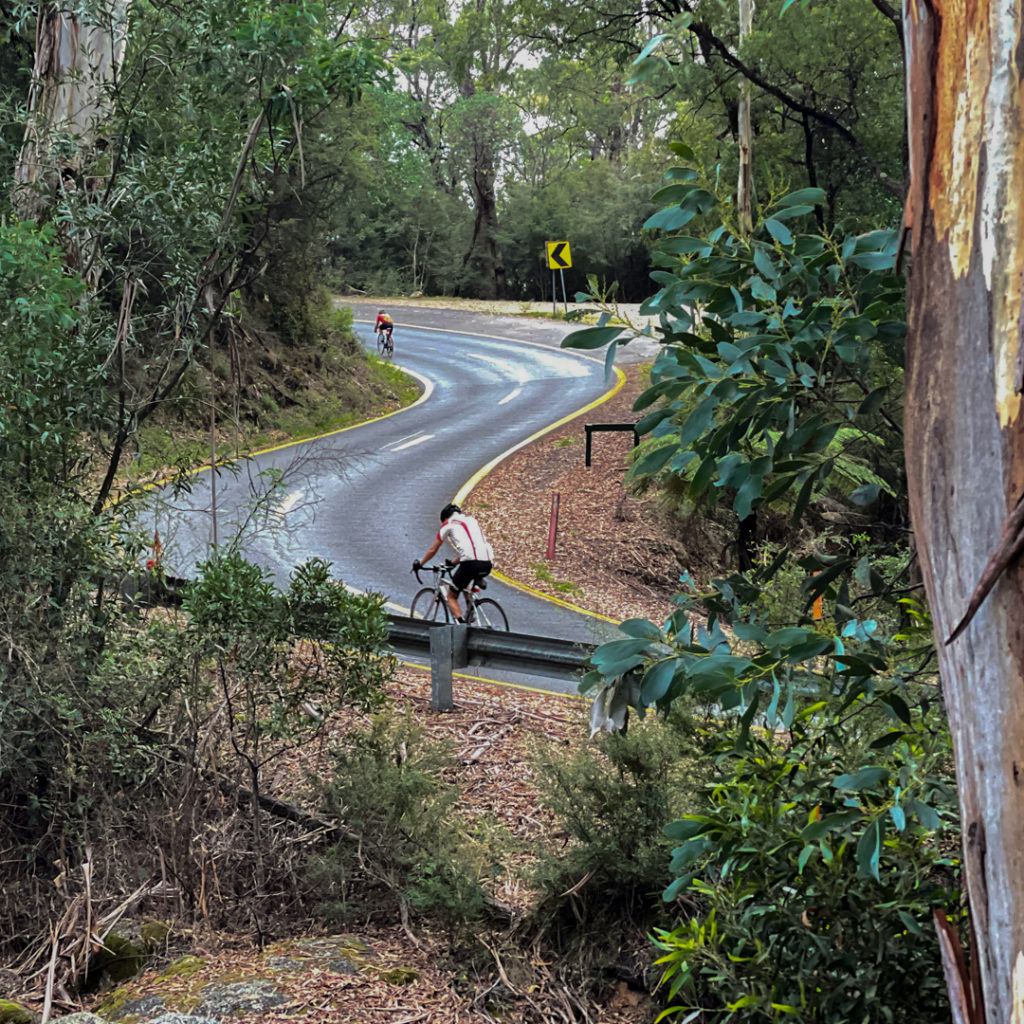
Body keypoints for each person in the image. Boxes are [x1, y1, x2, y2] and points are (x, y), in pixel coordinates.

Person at [413, 503, 494, 623]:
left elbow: (433, 550)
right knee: (464, 583)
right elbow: (471, 548)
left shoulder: (448, 524)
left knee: (451, 596)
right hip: (487, 563)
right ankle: (470, 610)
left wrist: (420, 563)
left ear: (445, 518)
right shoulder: (471, 520)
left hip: (470, 564)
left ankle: (461, 628)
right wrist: (453, 563)